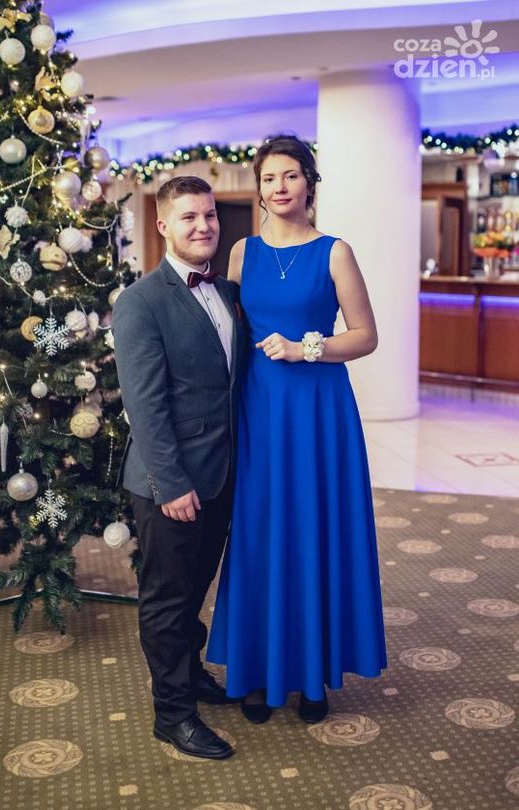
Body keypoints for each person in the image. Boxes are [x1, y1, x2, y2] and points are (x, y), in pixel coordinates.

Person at [207, 134, 387, 724]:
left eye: (289, 175)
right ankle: (259, 672)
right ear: (258, 190)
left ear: (309, 183)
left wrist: (305, 347)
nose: (278, 187)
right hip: (258, 409)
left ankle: (312, 674)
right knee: (259, 531)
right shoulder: (242, 253)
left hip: (317, 411)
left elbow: (365, 336)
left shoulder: (335, 252)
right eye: (268, 178)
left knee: (312, 528)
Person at [113, 176, 246, 759]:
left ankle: (189, 671)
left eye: (209, 215)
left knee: (197, 586)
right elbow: (144, 405)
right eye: (189, 217)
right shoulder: (140, 301)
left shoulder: (230, 293)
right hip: (168, 481)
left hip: (221, 472)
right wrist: (171, 484)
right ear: (164, 224)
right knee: (167, 598)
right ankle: (173, 715)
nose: (203, 226)